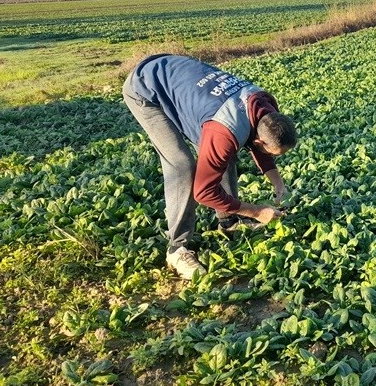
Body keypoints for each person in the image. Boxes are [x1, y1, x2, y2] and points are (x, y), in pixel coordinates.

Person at [122, 54, 297, 279]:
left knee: (226, 154)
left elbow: (258, 141)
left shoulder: (266, 107)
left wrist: (277, 182)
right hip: (146, 88)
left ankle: (229, 221)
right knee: (182, 165)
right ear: (260, 142)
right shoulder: (224, 131)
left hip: (182, 81)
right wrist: (255, 211)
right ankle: (177, 248)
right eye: (272, 152)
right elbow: (204, 192)